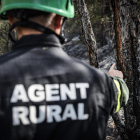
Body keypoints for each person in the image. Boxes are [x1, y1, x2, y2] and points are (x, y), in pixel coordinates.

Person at [0, 0, 129, 140]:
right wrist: (116, 80)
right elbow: (120, 94)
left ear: (11, 20)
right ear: (59, 20)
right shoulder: (98, 82)